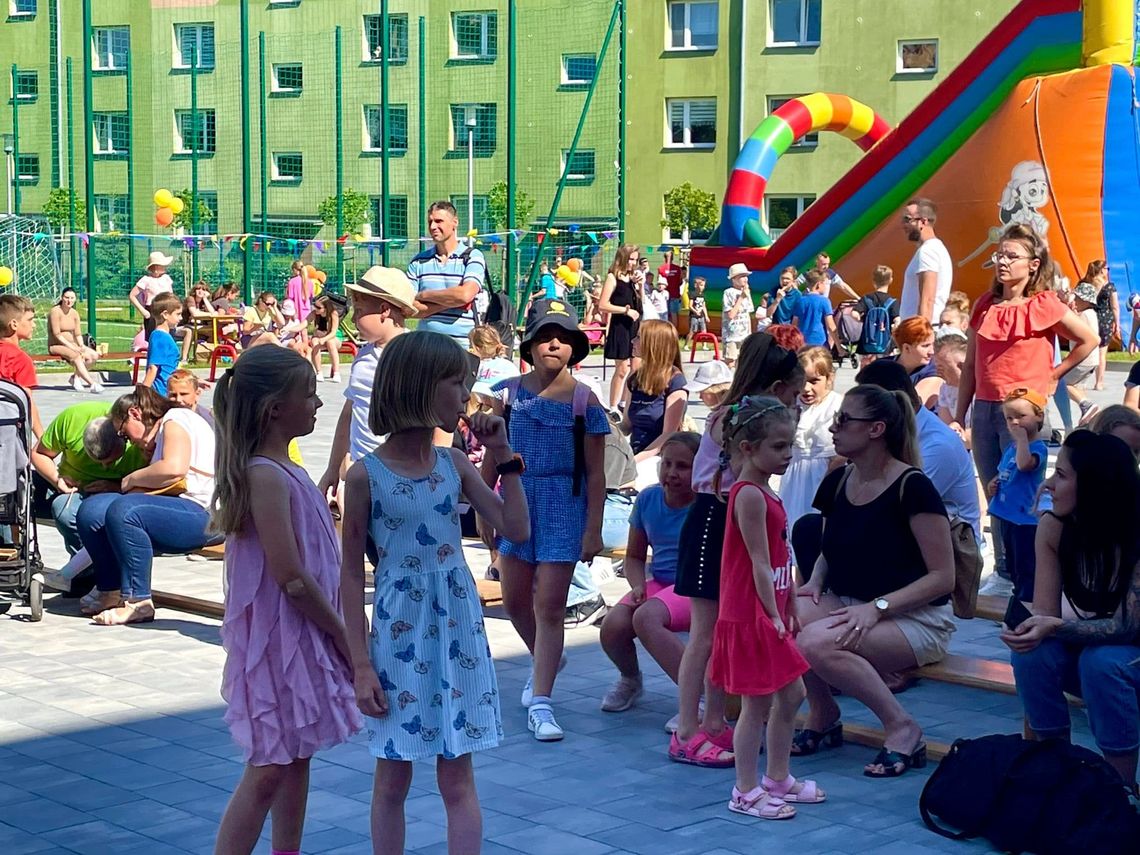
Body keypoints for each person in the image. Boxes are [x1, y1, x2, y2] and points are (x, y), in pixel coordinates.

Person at [340, 332, 528, 852]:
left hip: (457, 631)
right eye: (456, 383)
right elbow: (350, 575)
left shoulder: (455, 465)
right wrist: (360, 664)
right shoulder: (365, 477)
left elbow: (516, 527)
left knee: (457, 777)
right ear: (421, 388)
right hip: (399, 636)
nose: (466, 395)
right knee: (392, 778)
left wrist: (504, 455)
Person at [209, 346, 361, 855]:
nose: (318, 403)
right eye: (309, 394)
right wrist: (343, 634)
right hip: (280, 640)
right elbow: (291, 576)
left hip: (299, 634)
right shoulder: (265, 475)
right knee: (269, 767)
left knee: (297, 754)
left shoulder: (286, 469)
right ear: (275, 408)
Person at [794, 384, 955, 778]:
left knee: (816, 641)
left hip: (916, 619)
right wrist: (815, 581)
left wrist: (878, 607)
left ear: (876, 429)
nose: (833, 427)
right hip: (855, 605)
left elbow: (943, 577)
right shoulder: (838, 480)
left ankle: (902, 727)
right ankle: (823, 712)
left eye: (844, 420)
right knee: (788, 614)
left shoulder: (912, 487)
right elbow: (830, 546)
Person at [670, 333, 805, 766]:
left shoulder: (743, 417)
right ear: (777, 387)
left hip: (736, 518)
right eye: (792, 396)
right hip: (714, 518)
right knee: (705, 633)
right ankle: (686, 728)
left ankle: (714, 721)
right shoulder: (732, 418)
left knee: (723, 633)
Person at [483, 300, 608, 742]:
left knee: (550, 605)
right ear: (529, 346)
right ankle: (546, 657)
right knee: (515, 599)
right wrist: (484, 506)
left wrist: (593, 528)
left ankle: (541, 701)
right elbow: (492, 454)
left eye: (563, 338)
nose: (553, 344)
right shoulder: (507, 395)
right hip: (517, 499)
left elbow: (596, 473)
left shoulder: (584, 400)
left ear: (575, 348)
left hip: (563, 505)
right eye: (543, 337)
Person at [954, 225, 1097, 595]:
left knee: (1021, 491)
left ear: (1033, 265)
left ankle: (1027, 572)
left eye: (1011, 256)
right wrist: (960, 414)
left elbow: (1089, 339)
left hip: (1024, 413)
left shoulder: (1044, 304)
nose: (1002, 261)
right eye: (1000, 255)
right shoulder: (985, 304)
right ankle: (1004, 571)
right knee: (994, 489)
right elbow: (969, 365)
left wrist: (1055, 375)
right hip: (986, 409)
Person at [1003, 431, 1140, 791]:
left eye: (1061, 475)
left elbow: (1126, 627)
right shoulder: (1054, 528)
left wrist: (1052, 626)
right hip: (1099, 653)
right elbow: (1046, 616)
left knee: (1102, 662)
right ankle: (1053, 770)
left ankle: (1120, 788)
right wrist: (1029, 631)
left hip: (1128, 655)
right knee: (1033, 654)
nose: (1048, 484)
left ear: (1094, 486)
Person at [710, 397, 821, 820]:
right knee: (756, 704)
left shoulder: (766, 491)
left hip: (769, 609)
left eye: (790, 445)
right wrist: (771, 612)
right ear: (747, 448)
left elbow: (780, 553)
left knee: (792, 693)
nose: (787, 454)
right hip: (750, 614)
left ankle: (777, 777)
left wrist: (789, 598)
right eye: (778, 446)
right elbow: (758, 561)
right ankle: (744, 789)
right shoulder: (749, 495)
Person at [75, 386, 216, 625]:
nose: (127, 441)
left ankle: (138, 601)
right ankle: (110, 589)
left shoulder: (175, 418)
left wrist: (129, 479)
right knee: (93, 511)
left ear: (134, 414)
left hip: (204, 512)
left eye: (123, 434)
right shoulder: (161, 431)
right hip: (178, 505)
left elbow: (173, 469)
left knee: (126, 511)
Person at [599, 432, 699, 712]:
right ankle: (630, 679)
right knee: (613, 626)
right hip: (662, 584)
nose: (672, 473)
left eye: (682, 466)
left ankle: (697, 698)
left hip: (696, 587)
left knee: (647, 618)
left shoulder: (705, 505)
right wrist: (638, 585)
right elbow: (634, 556)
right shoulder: (648, 498)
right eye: (666, 463)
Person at [856, 359, 983, 550]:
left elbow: (898, 506)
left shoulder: (938, 445)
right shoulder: (900, 430)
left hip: (949, 550)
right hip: (912, 537)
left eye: (867, 407)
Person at [317, 267, 415, 513]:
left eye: (359, 311)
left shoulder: (415, 357)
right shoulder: (364, 356)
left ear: (384, 310)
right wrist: (333, 468)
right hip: (361, 472)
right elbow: (349, 414)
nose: (352, 320)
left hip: (402, 478)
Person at [30, 404, 145, 558]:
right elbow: (39, 454)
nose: (104, 467)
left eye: (111, 461)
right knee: (61, 509)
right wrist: (56, 479)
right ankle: (85, 562)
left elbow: (158, 482)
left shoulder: (138, 438)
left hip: (119, 492)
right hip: (74, 489)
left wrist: (119, 487)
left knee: (76, 513)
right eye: (98, 461)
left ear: (124, 439)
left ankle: (99, 561)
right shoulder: (73, 419)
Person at [986, 388, 1048, 603]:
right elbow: (1006, 469)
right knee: (1012, 561)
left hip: (1025, 518)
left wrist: (1022, 440)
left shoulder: (1038, 448)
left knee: (1025, 564)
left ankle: (1026, 600)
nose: (1014, 422)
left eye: (1021, 416)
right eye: (1009, 418)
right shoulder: (1013, 447)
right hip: (1008, 513)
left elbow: (1024, 465)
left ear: (1039, 416)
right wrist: (994, 482)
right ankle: (1017, 593)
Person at [781, 347, 842, 539]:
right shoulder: (791, 405)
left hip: (823, 477)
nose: (806, 388)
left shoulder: (837, 406)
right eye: (802, 381)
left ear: (829, 378)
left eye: (814, 381)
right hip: (794, 477)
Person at [407, 201, 486, 344]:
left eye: (439, 221)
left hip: (463, 347)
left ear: (455, 222)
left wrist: (424, 296)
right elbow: (409, 308)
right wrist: (453, 302)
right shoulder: (418, 261)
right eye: (430, 222)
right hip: (426, 346)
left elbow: (465, 295)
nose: (432, 227)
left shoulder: (473, 256)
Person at [621, 319, 688, 466]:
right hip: (634, 452)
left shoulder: (675, 382)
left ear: (653, 344)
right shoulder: (635, 379)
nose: (632, 341)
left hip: (660, 458)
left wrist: (632, 462)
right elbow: (626, 425)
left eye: (638, 337)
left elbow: (668, 435)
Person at [599, 244, 642, 411]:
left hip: (635, 325)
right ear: (623, 258)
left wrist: (640, 286)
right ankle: (613, 406)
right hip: (620, 326)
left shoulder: (633, 278)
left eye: (636, 260)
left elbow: (641, 304)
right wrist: (625, 310)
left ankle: (625, 402)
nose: (633, 263)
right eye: (631, 259)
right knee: (622, 368)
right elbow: (603, 305)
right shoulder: (612, 277)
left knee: (636, 368)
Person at [899, 198, 953, 323]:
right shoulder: (935, 248)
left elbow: (928, 300)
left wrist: (921, 331)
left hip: (923, 327)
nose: (903, 225)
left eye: (907, 219)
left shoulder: (928, 251)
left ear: (923, 222)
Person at [0, 293, 43, 437]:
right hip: (8, 430)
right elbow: (26, 401)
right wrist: (41, 437)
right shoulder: (21, 360)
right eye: (30, 320)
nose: (34, 325)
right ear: (14, 324)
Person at [47, 287, 101, 393]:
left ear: (75, 299)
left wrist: (81, 346)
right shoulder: (55, 311)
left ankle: (75, 377)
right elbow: (57, 334)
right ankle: (92, 384)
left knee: (94, 355)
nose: (69, 300)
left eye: (72, 298)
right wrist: (72, 347)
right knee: (77, 356)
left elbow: (78, 334)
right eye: (66, 297)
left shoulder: (74, 313)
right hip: (56, 345)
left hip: (72, 344)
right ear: (62, 298)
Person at [1062, 282, 1101, 424]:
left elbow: (1074, 331)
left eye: (1078, 299)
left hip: (1083, 359)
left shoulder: (1085, 314)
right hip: (1091, 360)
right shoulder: (1090, 313)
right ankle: (1088, 418)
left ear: (1086, 301)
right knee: (1078, 387)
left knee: (1062, 384)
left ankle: (1086, 405)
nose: (1075, 301)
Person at [1083, 260, 1120, 391]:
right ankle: (1099, 383)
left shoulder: (1087, 283)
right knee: (1101, 353)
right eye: (1107, 269)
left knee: (1086, 350)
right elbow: (1115, 307)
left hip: (1089, 318)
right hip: (1105, 321)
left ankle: (1081, 380)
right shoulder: (1109, 287)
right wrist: (1117, 324)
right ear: (1102, 270)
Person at [851, 265, 899, 366]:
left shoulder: (866, 299)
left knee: (866, 366)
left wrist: (860, 319)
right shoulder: (893, 301)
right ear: (890, 280)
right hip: (886, 342)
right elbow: (897, 320)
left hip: (866, 341)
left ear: (873, 281)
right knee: (886, 365)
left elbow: (854, 313)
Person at [891, 316, 940, 409]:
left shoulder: (934, 371)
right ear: (906, 348)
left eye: (933, 344)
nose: (932, 352)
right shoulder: (881, 366)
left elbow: (911, 408)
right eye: (925, 346)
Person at [141, 293, 183, 397]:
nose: (181, 318)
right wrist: (142, 395)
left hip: (169, 390)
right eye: (178, 314)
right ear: (165, 314)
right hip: (161, 393)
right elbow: (152, 368)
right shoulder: (159, 337)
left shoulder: (164, 336)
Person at [933, 330, 970, 443]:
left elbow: (981, 437)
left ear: (962, 365)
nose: (938, 372)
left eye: (942, 367)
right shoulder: (945, 389)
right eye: (937, 366)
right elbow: (946, 426)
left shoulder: (980, 391)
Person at [128, 250, 174, 340]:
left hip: (167, 310)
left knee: (168, 337)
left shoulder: (166, 278)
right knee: (153, 338)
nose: (165, 267)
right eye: (162, 265)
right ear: (156, 267)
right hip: (152, 311)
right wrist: (143, 311)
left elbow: (171, 295)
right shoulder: (146, 280)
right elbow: (132, 295)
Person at [791, 270, 837, 349]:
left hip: (802, 344)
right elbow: (831, 326)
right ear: (818, 284)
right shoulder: (824, 301)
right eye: (825, 284)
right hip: (820, 343)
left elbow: (794, 324)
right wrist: (839, 347)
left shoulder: (800, 301)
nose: (826, 287)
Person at [722, 263, 756, 368]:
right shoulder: (728, 292)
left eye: (746, 276)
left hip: (744, 335)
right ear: (733, 279)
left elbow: (748, 314)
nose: (745, 279)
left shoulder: (746, 292)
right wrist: (741, 297)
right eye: (742, 276)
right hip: (732, 335)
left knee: (743, 362)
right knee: (730, 362)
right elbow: (730, 315)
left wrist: (750, 334)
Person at [177, 281, 217, 364]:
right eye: (198, 289)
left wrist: (205, 299)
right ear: (194, 290)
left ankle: (209, 357)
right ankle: (184, 359)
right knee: (189, 331)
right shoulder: (190, 299)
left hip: (197, 327)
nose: (200, 291)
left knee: (214, 331)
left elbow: (214, 313)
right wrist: (210, 314)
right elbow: (194, 313)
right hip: (182, 327)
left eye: (203, 289)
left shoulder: (204, 302)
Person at [308, 292, 344, 383]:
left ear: (325, 308)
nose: (315, 308)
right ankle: (319, 372)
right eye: (315, 306)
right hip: (321, 338)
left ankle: (336, 373)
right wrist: (290, 329)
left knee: (330, 341)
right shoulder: (315, 314)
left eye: (318, 307)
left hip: (335, 338)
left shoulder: (333, 314)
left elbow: (333, 333)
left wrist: (324, 339)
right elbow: (304, 323)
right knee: (314, 341)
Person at [657, 249, 685, 325]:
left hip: (664, 295)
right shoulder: (678, 268)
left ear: (664, 258)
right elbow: (680, 281)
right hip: (675, 294)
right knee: (674, 314)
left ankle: (667, 330)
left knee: (666, 314)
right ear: (672, 258)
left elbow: (659, 282)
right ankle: (674, 330)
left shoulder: (661, 268)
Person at [687, 277, 710, 345]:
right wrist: (695, 312)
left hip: (701, 316)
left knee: (704, 331)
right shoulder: (693, 294)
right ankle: (686, 344)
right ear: (696, 285)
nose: (703, 287)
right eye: (701, 285)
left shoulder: (703, 295)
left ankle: (704, 345)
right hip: (694, 316)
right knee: (693, 331)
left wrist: (706, 316)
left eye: (703, 285)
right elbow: (690, 306)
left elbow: (704, 306)